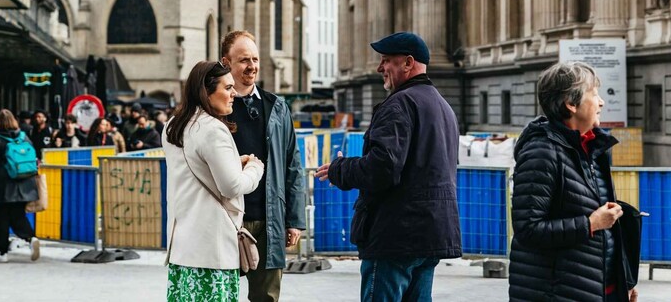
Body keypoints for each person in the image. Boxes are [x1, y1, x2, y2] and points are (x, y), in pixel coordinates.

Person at [315, 32, 462, 301]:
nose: (379, 68)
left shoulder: (399, 104)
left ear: (408, 63)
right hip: (430, 236)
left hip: (396, 236)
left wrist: (340, 169)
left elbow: (382, 168)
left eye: (386, 60)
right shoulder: (443, 107)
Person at [508, 62, 638, 302]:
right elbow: (528, 229)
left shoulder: (594, 148)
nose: (602, 102)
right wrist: (590, 223)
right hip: (556, 293)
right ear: (571, 103)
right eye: (594, 94)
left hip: (597, 290)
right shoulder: (542, 152)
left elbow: (606, 228)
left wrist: (623, 282)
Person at [162, 61, 264, 301]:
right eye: (227, 88)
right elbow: (232, 186)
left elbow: (195, 171)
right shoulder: (213, 129)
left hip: (182, 248)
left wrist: (232, 163)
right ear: (206, 92)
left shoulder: (172, 126)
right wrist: (254, 168)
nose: (234, 94)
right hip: (212, 251)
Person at [221, 30, 305, 301]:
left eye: (255, 59)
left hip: (270, 220)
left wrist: (295, 220)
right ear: (226, 63)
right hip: (228, 219)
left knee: (267, 297)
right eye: (244, 59)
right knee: (223, 294)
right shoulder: (215, 108)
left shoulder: (277, 107)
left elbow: (293, 165)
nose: (252, 66)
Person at [0, 109, 40, 263]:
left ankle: (2, 252)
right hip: (25, 183)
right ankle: (31, 238)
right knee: (18, 215)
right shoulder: (23, 137)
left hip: (3, 186)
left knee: (2, 219)